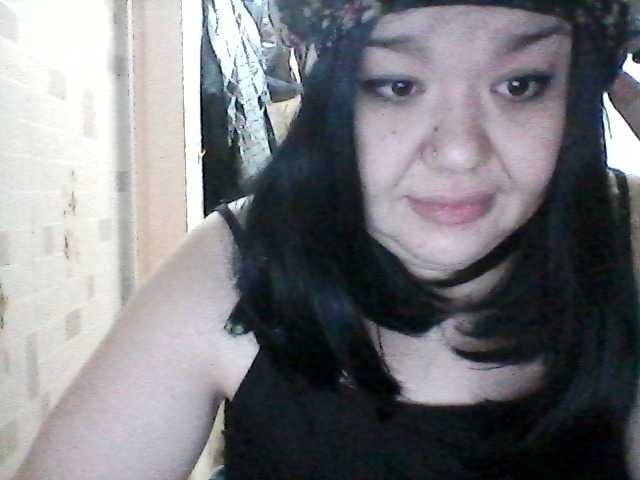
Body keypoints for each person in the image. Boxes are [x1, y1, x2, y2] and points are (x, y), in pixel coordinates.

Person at [14, 1, 640, 479]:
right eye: (399, 85)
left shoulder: (628, 236)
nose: (458, 151)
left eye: (520, 84)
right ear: (332, 98)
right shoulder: (239, 262)